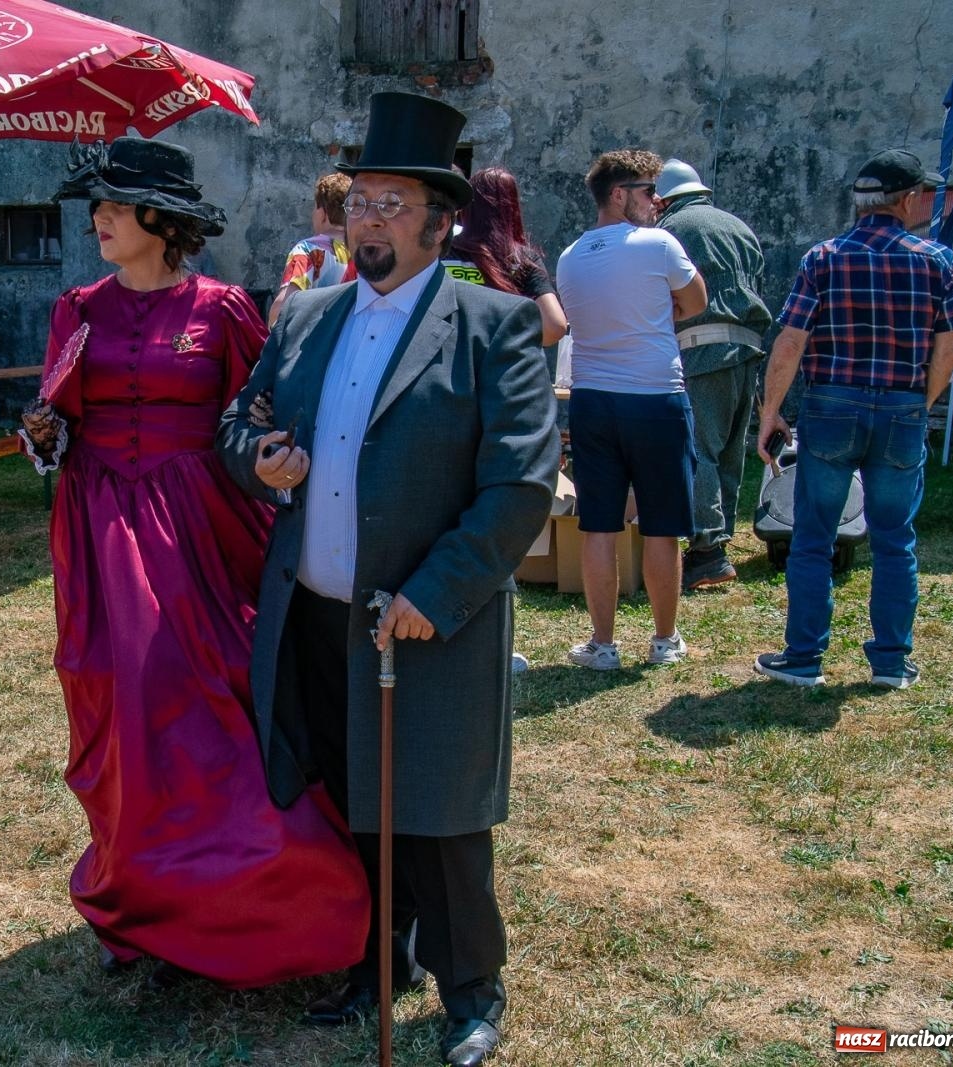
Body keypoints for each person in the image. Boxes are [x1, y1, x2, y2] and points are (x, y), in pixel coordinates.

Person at [218, 92, 559, 1067]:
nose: (366, 219)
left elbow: (518, 485)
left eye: (391, 204)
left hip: (427, 620)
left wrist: (433, 594)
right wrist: (259, 459)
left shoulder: (494, 326)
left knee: (441, 813)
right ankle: (378, 956)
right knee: (352, 801)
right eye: (359, 200)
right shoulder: (304, 317)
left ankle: (471, 989)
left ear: (438, 221)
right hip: (319, 616)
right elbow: (238, 422)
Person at [18, 135, 369, 991]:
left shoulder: (223, 309)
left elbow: (254, 422)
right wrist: (43, 434)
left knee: (213, 703)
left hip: (203, 530)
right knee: (120, 706)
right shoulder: (77, 308)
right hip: (101, 528)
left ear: (160, 218)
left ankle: (265, 894)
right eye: (97, 207)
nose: (98, 220)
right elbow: (58, 422)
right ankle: (146, 900)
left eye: (114, 206)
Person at [753, 149, 953, 689]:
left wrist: (771, 412)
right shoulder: (938, 261)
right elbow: (948, 349)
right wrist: (921, 403)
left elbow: (791, 341)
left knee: (813, 537)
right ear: (908, 199)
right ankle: (890, 662)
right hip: (902, 405)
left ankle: (804, 657)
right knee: (895, 540)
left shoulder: (822, 258)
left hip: (832, 406)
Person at [556, 149, 707, 671]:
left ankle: (602, 643)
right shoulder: (658, 244)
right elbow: (697, 302)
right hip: (655, 397)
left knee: (599, 524)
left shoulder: (570, 255)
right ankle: (664, 639)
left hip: (592, 399)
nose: (657, 201)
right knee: (661, 524)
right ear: (619, 195)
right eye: (648, 191)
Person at [651, 160, 773, 591]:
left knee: (698, 447)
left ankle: (707, 552)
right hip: (748, 348)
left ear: (663, 200)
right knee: (729, 450)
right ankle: (719, 540)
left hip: (703, 348)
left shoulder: (672, 229)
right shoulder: (738, 226)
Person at [446, 167, 568, 346]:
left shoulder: (440, 252)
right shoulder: (523, 260)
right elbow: (554, 326)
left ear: (467, 208)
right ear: (512, 207)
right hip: (500, 360)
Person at [267, 172, 353, 327]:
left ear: (323, 213)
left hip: (312, 338)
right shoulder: (363, 253)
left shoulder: (307, 250)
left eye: (314, 207)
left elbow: (282, 308)